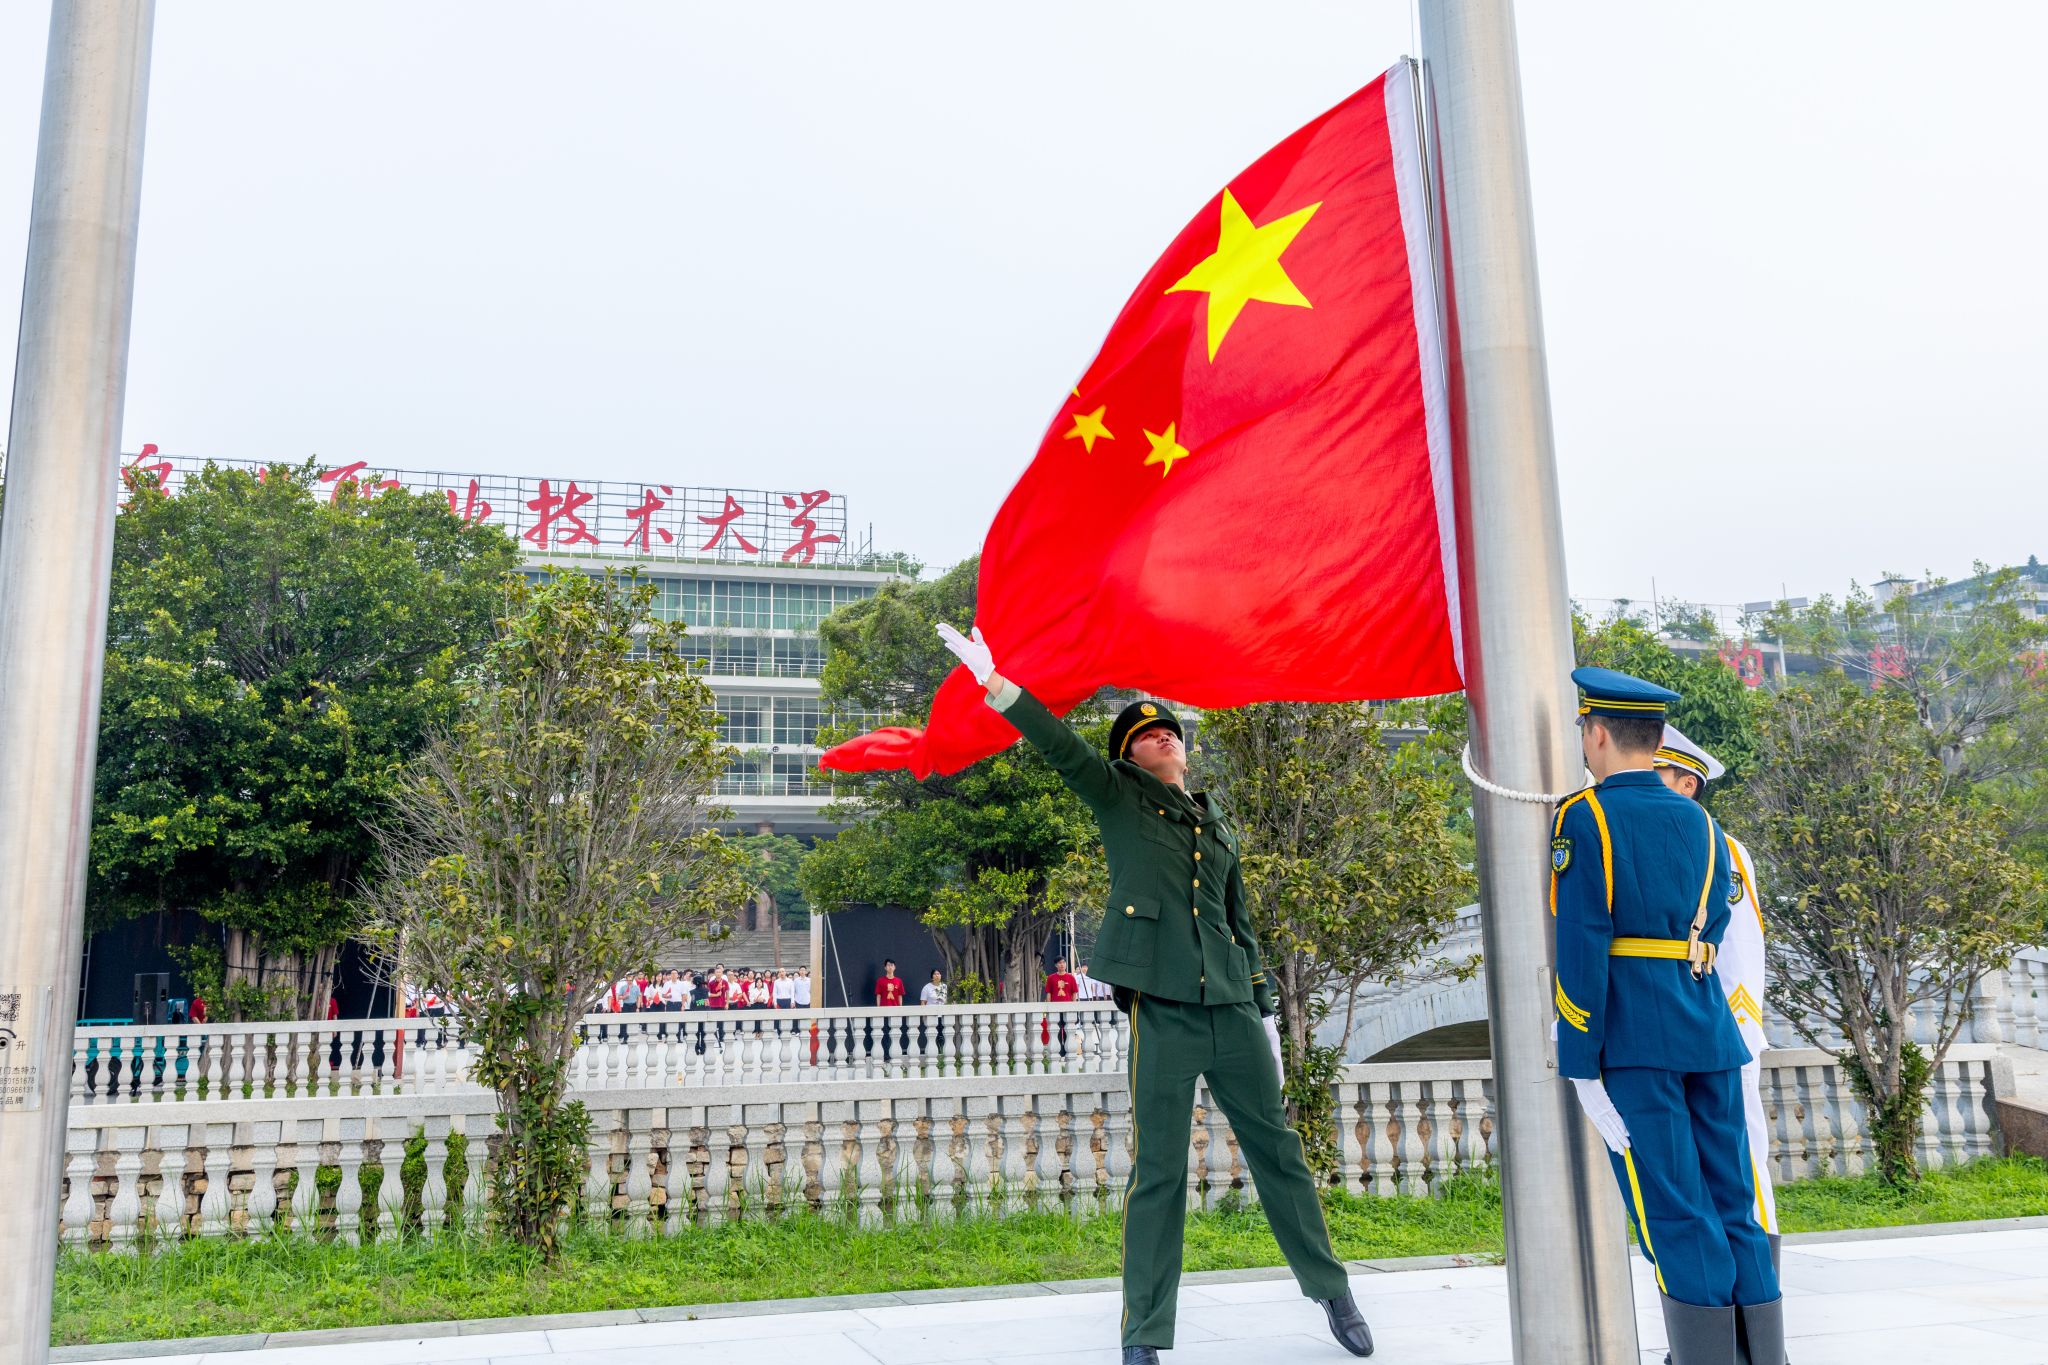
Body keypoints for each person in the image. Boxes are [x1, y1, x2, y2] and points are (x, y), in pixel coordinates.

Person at [937, 622, 1372, 1365]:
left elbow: (1239, 922)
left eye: (1169, 730)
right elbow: (1061, 747)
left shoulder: (1216, 823)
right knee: (1160, 1172)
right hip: (1162, 1008)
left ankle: (1333, 1290)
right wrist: (997, 684)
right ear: (1127, 757)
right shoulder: (1119, 798)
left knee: (1279, 1153)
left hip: (1232, 1008)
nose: (1162, 735)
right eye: (1145, 734)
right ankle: (1143, 1332)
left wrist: (1265, 1011)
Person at [1553, 668, 1783, 1365]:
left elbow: (1582, 941)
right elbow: (1714, 924)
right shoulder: (1705, 824)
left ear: (1597, 734)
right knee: (1734, 1204)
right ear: (1656, 741)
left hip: (1634, 1043)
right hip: (1709, 1033)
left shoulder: (1584, 817)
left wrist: (1580, 1062)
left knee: (1675, 1211)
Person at [1654, 724, 1780, 1274]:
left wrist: (1738, 1027)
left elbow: (1741, 947)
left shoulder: (1720, 848)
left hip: (1722, 1032)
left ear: (1687, 784)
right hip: (1672, 1031)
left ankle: (1761, 1294)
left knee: (1741, 1162)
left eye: (1654, 773)